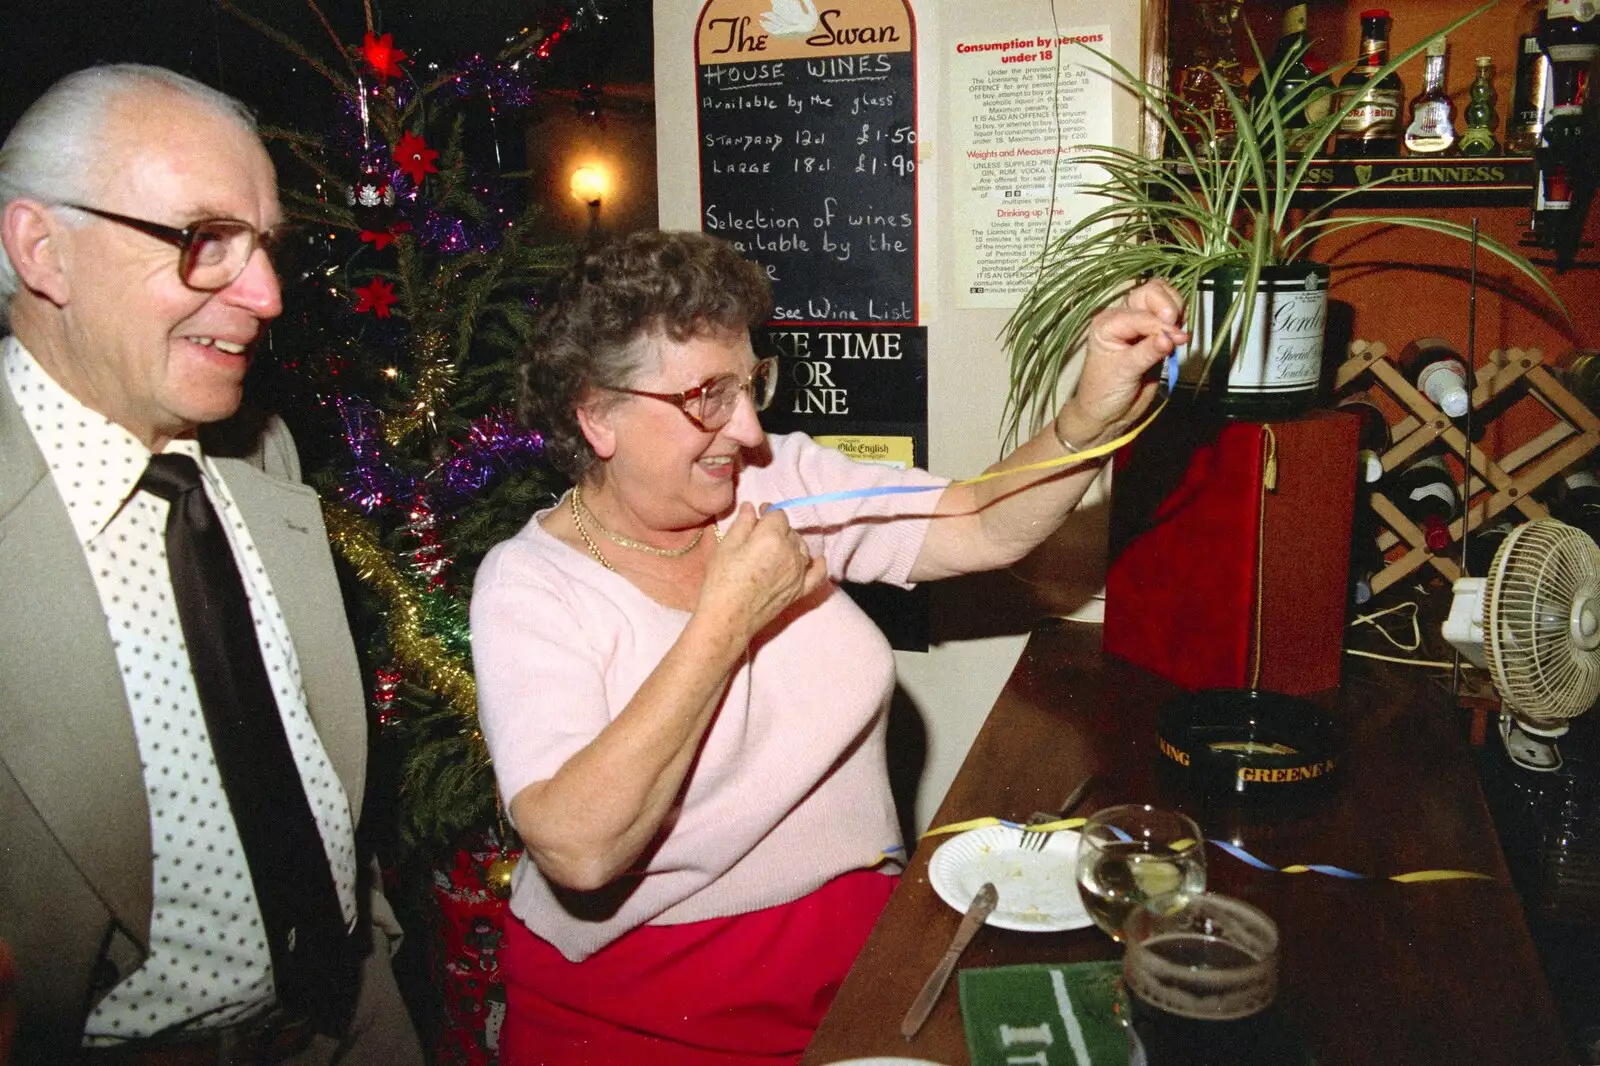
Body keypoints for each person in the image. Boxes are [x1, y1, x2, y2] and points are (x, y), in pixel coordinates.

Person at [469, 229, 1189, 1064]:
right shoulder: (531, 585)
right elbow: (579, 847)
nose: (746, 430)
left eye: (750, 385)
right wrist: (725, 619)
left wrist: (1084, 416)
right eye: (707, 395)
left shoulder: (772, 484)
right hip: (641, 1005)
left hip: (851, 951)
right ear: (597, 416)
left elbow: (985, 524)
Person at [0, 65, 424, 1064]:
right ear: (41, 249)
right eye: (203, 241)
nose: (267, 295)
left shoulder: (258, 457)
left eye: (265, 246)